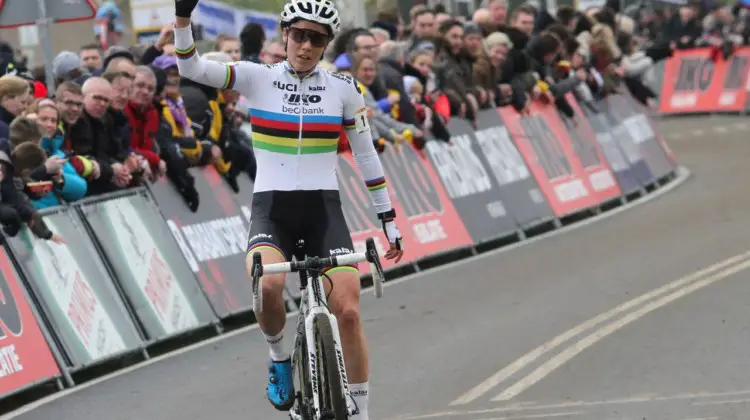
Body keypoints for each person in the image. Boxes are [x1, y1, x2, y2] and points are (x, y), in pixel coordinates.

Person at [172, 0, 405, 419]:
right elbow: (191, 69)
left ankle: (362, 411)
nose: (305, 45)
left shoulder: (344, 89)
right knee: (268, 287)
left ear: (325, 44)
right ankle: (279, 356)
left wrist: (388, 220)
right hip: (272, 212)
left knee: (349, 313)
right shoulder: (257, 77)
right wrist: (183, 19)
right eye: (299, 35)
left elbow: (367, 157)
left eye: (316, 38)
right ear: (285, 34)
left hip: (323, 212)